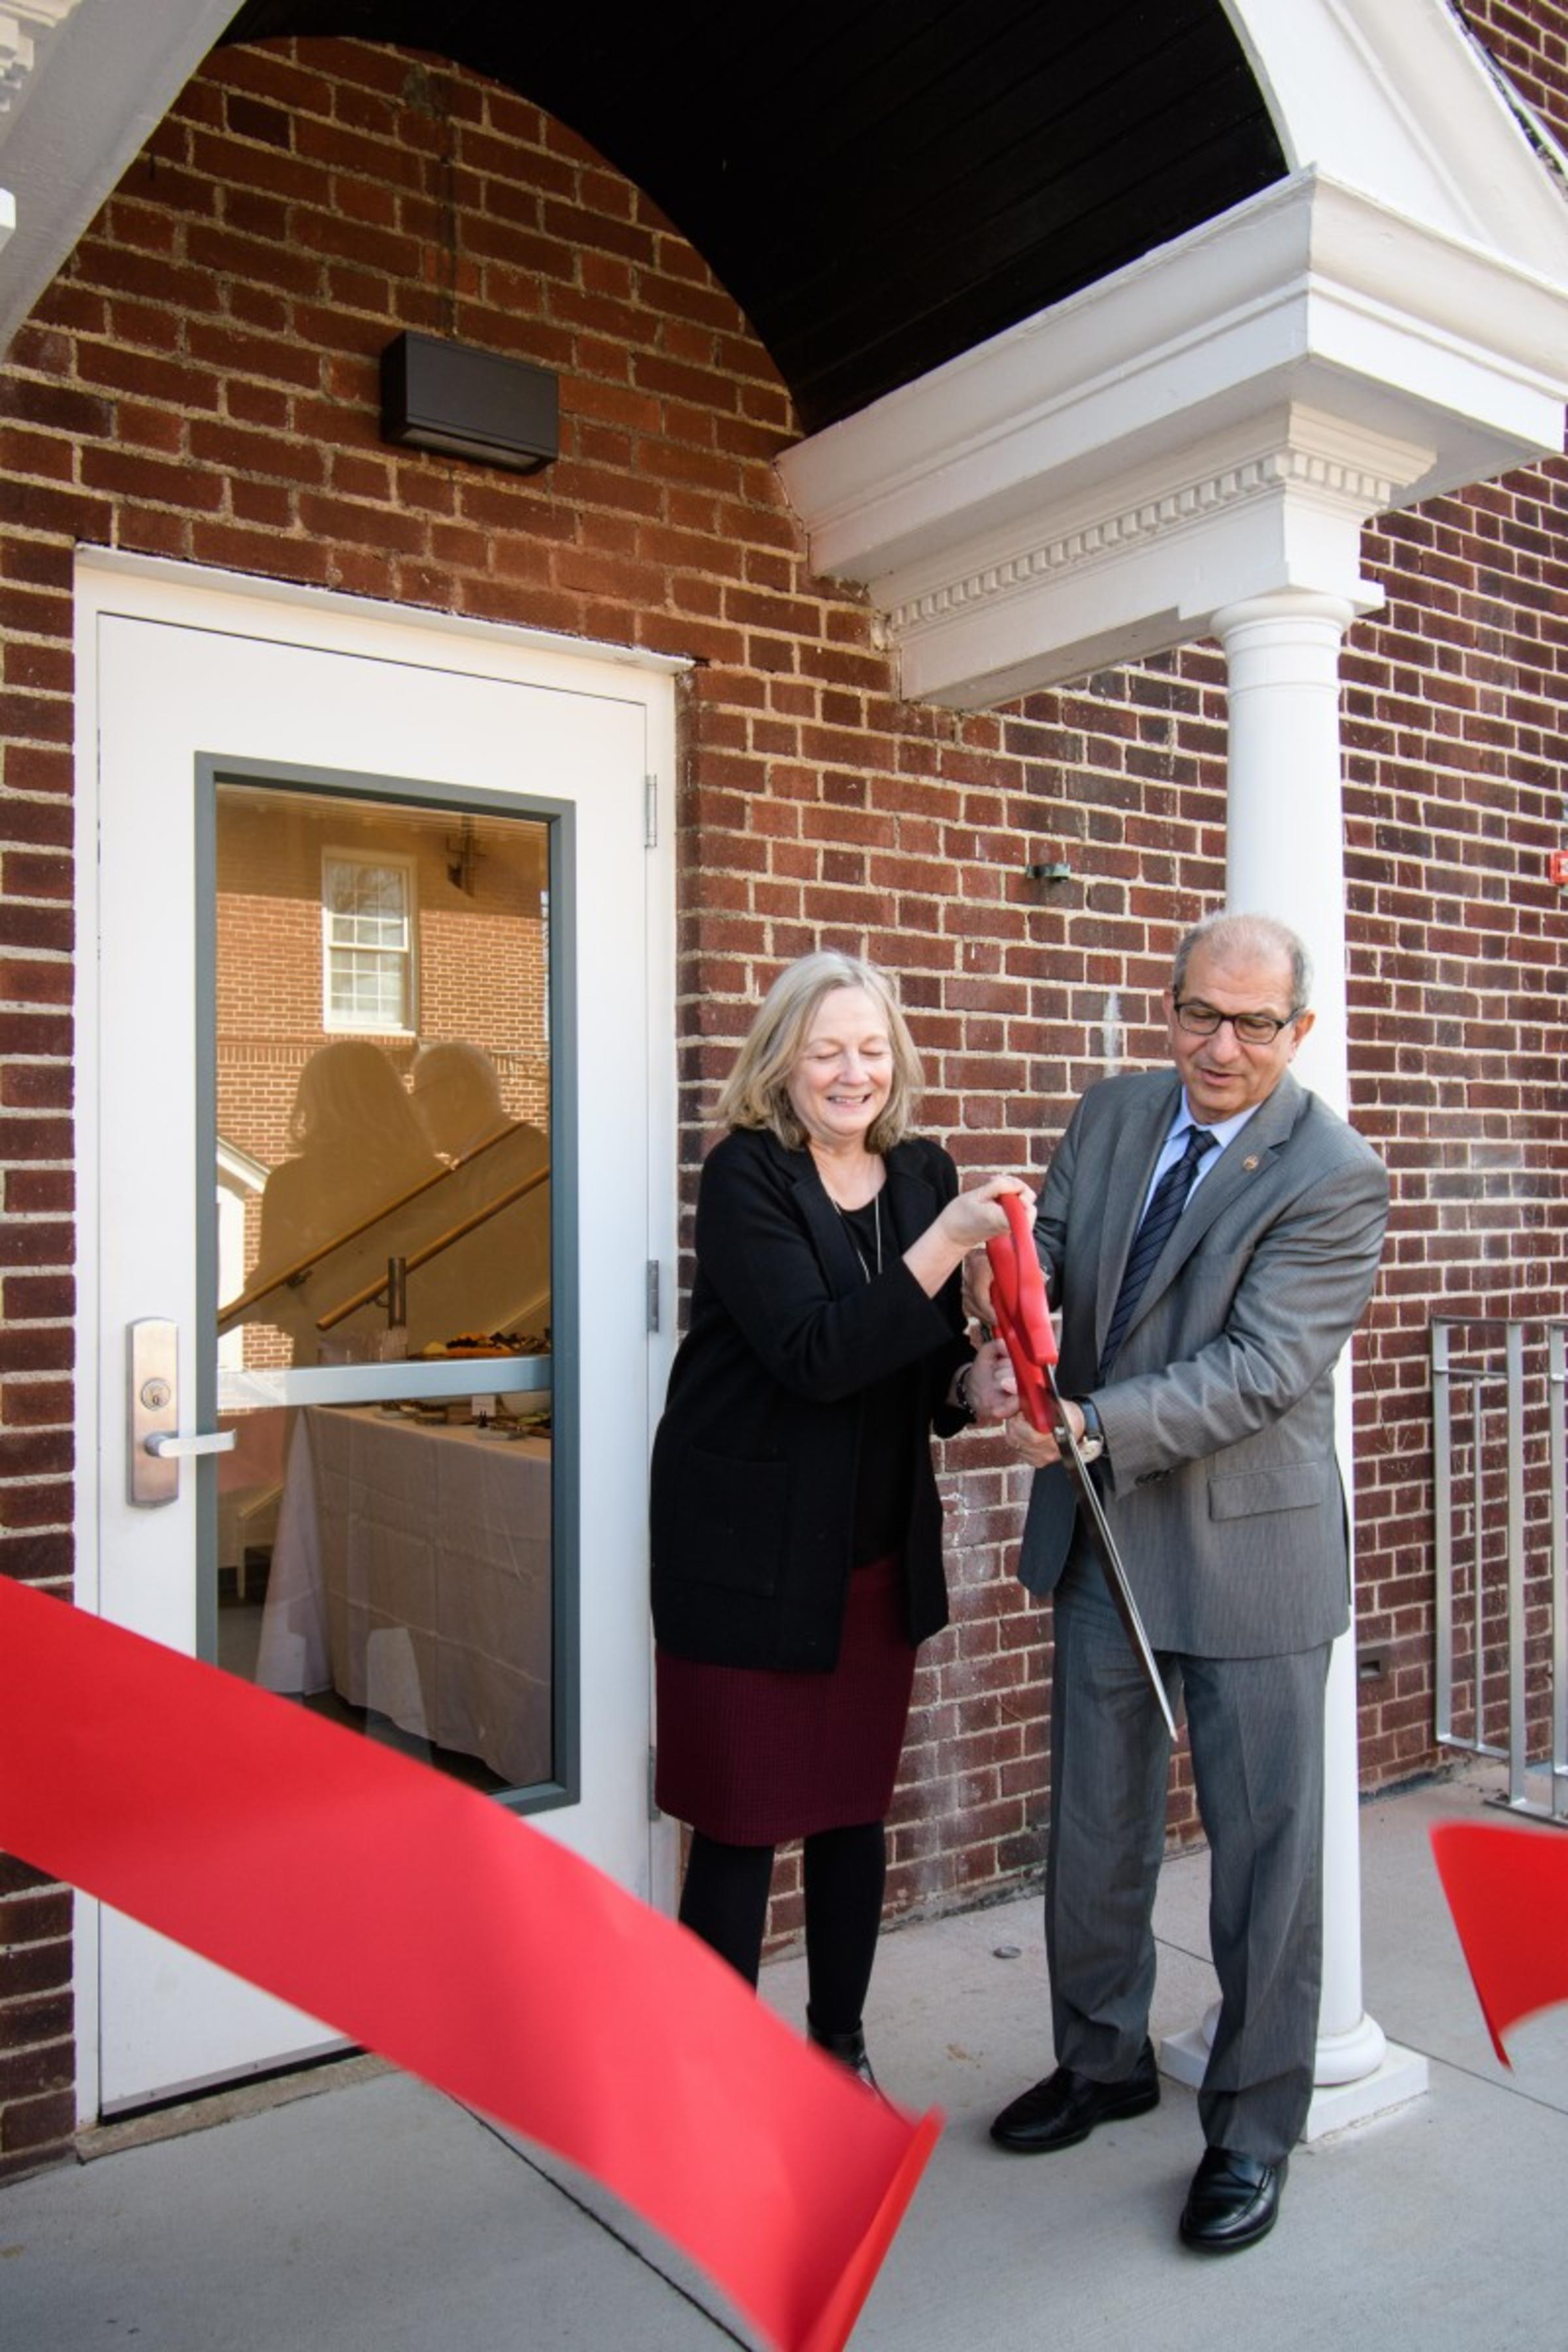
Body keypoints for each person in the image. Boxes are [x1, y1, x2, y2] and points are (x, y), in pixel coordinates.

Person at [989, 911, 1388, 2253]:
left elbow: (1265, 1369)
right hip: (1106, 1538)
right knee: (1094, 1830)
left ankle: (1252, 2128)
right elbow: (1046, 1267)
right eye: (1197, 1015)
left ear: (1298, 1031)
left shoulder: (1334, 1174)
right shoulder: (1110, 1116)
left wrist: (1092, 1423)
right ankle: (1100, 2058)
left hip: (1251, 1553)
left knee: (1265, 1861)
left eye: (1253, 1024)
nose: (1219, 1047)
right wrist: (1006, 1340)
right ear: (1166, 1007)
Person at [649, 950, 1026, 2085]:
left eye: (870, 1049)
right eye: (826, 1051)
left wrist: (976, 1388)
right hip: (747, 1554)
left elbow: (917, 1375)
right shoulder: (746, 1177)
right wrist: (950, 1246)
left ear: (895, 1059)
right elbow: (816, 1356)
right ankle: (704, 2080)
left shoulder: (921, 1176)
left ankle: (838, 2051)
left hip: (870, 1551)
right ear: (783, 1062)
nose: (851, 1073)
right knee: (742, 1819)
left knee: (853, 1812)